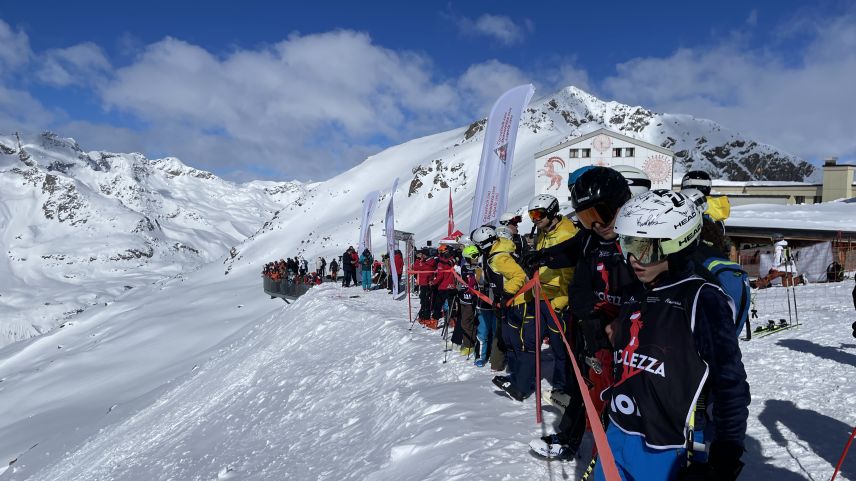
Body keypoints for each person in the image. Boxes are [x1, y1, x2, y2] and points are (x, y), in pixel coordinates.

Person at [588, 189, 749, 481]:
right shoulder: (637, 290)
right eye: (627, 245)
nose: (634, 259)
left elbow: (730, 382)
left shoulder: (702, 299)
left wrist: (726, 453)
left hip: (667, 446)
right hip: (617, 433)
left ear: (677, 244)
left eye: (646, 249)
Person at [533, 166, 643, 460]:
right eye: (586, 218)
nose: (596, 225)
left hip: (633, 337)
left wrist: (624, 321)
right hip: (596, 330)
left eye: (601, 215)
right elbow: (575, 270)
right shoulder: (590, 240)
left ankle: (611, 456)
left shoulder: (643, 239)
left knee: (622, 398)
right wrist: (589, 319)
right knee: (587, 386)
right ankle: (573, 439)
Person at [526, 193, 578, 395]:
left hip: (555, 300)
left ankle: (562, 386)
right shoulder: (544, 234)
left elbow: (569, 274)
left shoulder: (565, 235)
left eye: (538, 214)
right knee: (531, 340)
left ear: (552, 213)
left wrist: (560, 302)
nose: (535, 219)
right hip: (540, 296)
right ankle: (527, 378)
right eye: (532, 215)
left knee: (559, 347)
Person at [413, 248, 437, 327]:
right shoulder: (426, 262)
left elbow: (416, 267)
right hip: (423, 284)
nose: (421, 256)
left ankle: (426, 318)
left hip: (426, 284)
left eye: (422, 254)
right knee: (423, 300)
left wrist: (417, 260)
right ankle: (422, 316)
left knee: (426, 302)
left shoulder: (429, 263)